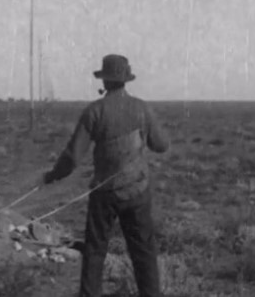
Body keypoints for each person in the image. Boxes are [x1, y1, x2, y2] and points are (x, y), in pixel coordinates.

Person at [42, 54, 170, 297]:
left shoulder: (94, 111)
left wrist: (52, 176)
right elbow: (161, 145)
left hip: (104, 194)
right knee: (144, 251)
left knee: (95, 251)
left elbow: (71, 158)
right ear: (125, 80)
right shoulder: (142, 108)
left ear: (105, 80)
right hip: (138, 192)